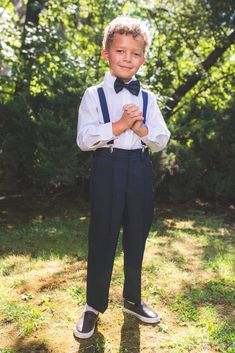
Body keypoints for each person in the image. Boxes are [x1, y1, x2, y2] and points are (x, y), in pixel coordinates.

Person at [74, 16, 170, 339]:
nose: (127, 58)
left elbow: (161, 138)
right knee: (103, 234)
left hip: (140, 169)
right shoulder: (93, 95)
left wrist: (140, 128)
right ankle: (93, 305)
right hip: (108, 166)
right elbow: (84, 138)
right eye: (120, 51)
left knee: (137, 234)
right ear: (106, 54)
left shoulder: (148, 98)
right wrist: (117, 127)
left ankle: (132, 298)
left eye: (134, 53)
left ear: (143, 59)